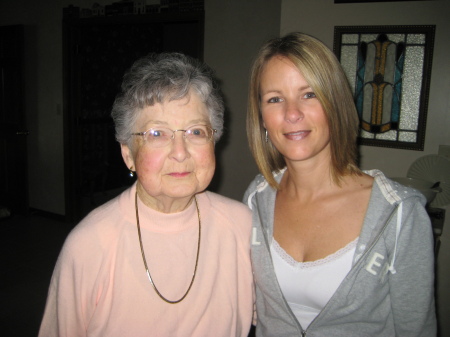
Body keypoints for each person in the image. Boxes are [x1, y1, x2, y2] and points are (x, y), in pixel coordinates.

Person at [39, 52, 254, 337]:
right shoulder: (90, 245)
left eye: (196, 131)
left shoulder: (242, 225)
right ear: (128, 153)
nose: (180, 152)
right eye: (157, 134)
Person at [244, 32, 436, 336]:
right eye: (275, 99)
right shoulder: (255, 199)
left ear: (335, 104)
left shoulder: (399, 214)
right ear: (262, 118)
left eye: (309, 94)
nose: (291, 113)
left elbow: (416, 328)